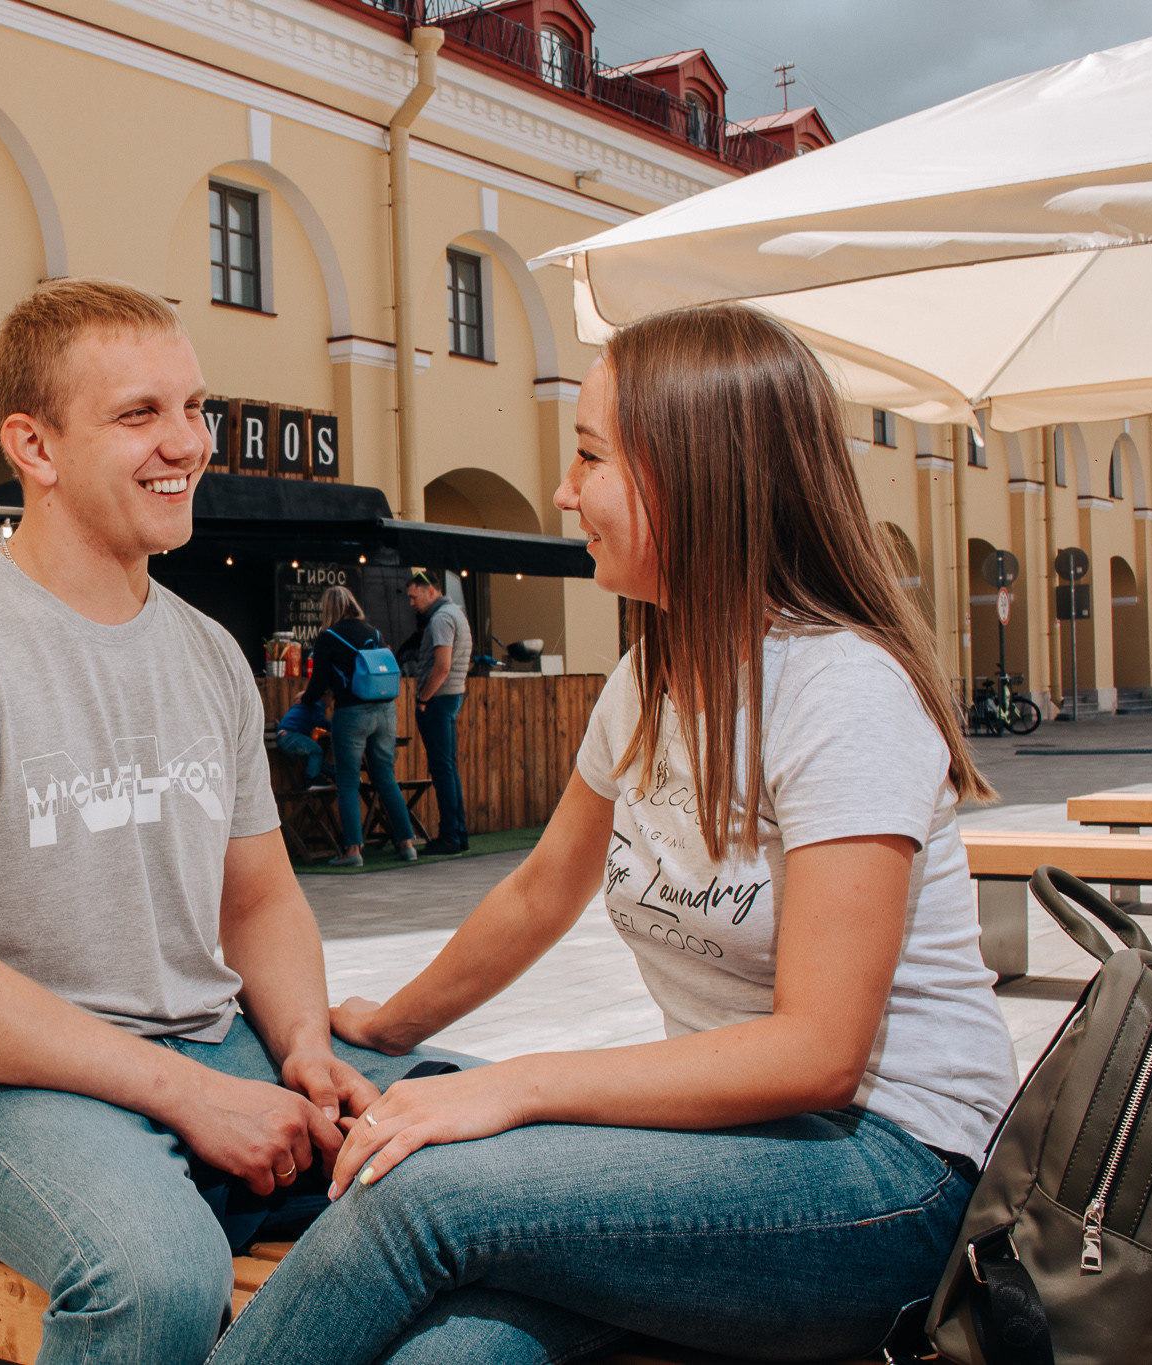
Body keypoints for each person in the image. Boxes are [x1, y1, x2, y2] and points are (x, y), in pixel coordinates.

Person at [204, 303, 1020, 1365]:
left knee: (424, 1185)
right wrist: (392, 1029)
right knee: (455, 1347)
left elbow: (818, 1055)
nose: (561, 490)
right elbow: (541, 889)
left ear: (692, 474)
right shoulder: (652, 676)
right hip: (732, 1149)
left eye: (587, 455)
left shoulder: (840, 691)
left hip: (889, 1179)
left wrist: (514, 1084)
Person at [0, 279, 455, 1365]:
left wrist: (304, 1049)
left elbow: (257, 898)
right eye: (139, 415)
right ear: (34, 445)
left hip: (214, 1046)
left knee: (486, 1161)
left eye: (193, 408)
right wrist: (195, 1099)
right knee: (157, 1275)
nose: (187, 443)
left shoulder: (205, 653)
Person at [300, 586, 417, 867]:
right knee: (385, 778)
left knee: (348, 782)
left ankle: (353, 851)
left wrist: (305, 699)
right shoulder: (374, 633)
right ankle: (407, 844)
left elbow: (319, 682)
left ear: (329, 609)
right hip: (386, 710)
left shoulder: (329, 637)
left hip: (351, 713)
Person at [405, 570, 471, 855]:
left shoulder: (441, 618)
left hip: (439, 700)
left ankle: (450, 837)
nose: (411, 602)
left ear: (430, 590)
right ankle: (458, 833)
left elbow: (442, 666)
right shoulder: (455, 613)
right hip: (452, 696)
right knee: (448, 767)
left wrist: (422, 697)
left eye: (413, 595)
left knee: (442, 768)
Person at [272, 694, 331, 784]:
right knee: (316, 751)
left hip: (284, 739)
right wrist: (336, 728)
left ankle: (334, 775)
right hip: (291, 737)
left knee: (314, 759)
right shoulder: (315, 704)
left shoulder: (296, 709)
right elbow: (320, 720)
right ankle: (313, 780)